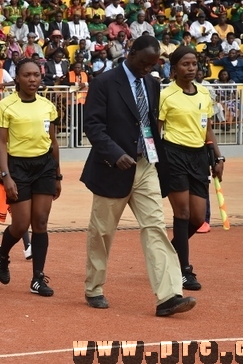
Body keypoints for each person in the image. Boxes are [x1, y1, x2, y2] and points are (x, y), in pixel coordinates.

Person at [81, 35, 197, 317]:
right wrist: (114, 153)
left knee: (155, 227)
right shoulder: (104, 83)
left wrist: (156, 160)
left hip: (145, 166)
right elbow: (93, 125)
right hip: (112, 167)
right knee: (102, 232)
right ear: (131, 54)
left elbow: (148, 124)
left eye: (153, 64)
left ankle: (169, 295)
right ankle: (94, 288)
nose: (148, 68)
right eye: (144, 63)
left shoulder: (152, 84)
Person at [0, 57, 61, 297]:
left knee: (40, 222)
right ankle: (3, 253)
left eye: (37, 75)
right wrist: (6, 176)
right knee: (21, 225)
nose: (33, 79)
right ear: (17, 79)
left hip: (44, 166)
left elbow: (53, 143)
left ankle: (37, 278)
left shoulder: (47, 106)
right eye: (27, 75)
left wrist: (58, 175)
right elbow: (0, 143)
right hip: (17, 167)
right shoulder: (6, 106)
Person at [159, 46, 224, 291]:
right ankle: (184, 270)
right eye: (185, 64)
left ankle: (168, 253)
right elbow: (157, 128)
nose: (190, 68)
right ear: (174, 69)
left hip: (198, 158)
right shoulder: (166, 95)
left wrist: (218, 157)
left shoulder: (204, 94)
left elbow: (207, 129)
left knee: (198, 218)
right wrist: (156, 160)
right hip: (173, 155)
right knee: (182, 213)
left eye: (194, 64)